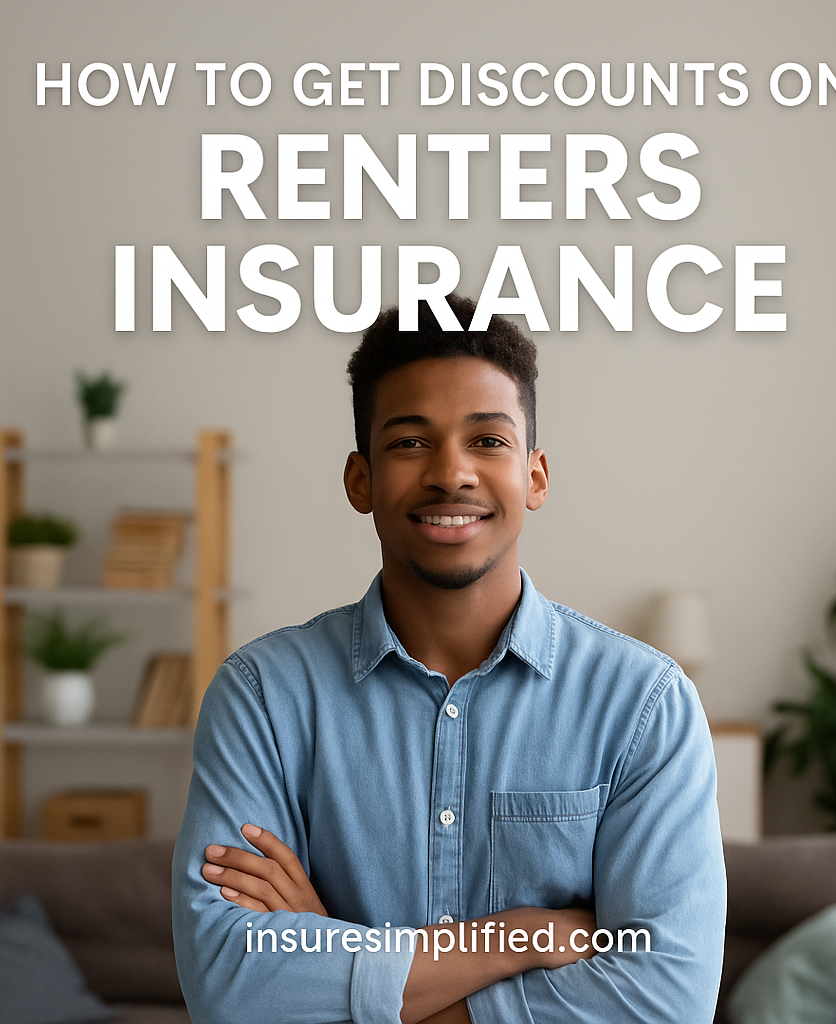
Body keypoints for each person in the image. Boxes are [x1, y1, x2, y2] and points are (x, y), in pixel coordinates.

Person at [172, 294, 726, 1024]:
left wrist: (337, 955)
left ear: (535, 476)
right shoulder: (263, 698)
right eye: (409, 442)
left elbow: (665, 1002)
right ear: (359, 479)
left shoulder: (645, 705)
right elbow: (230, 984)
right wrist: (521, 936)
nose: (451, 473)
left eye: (488, 441)